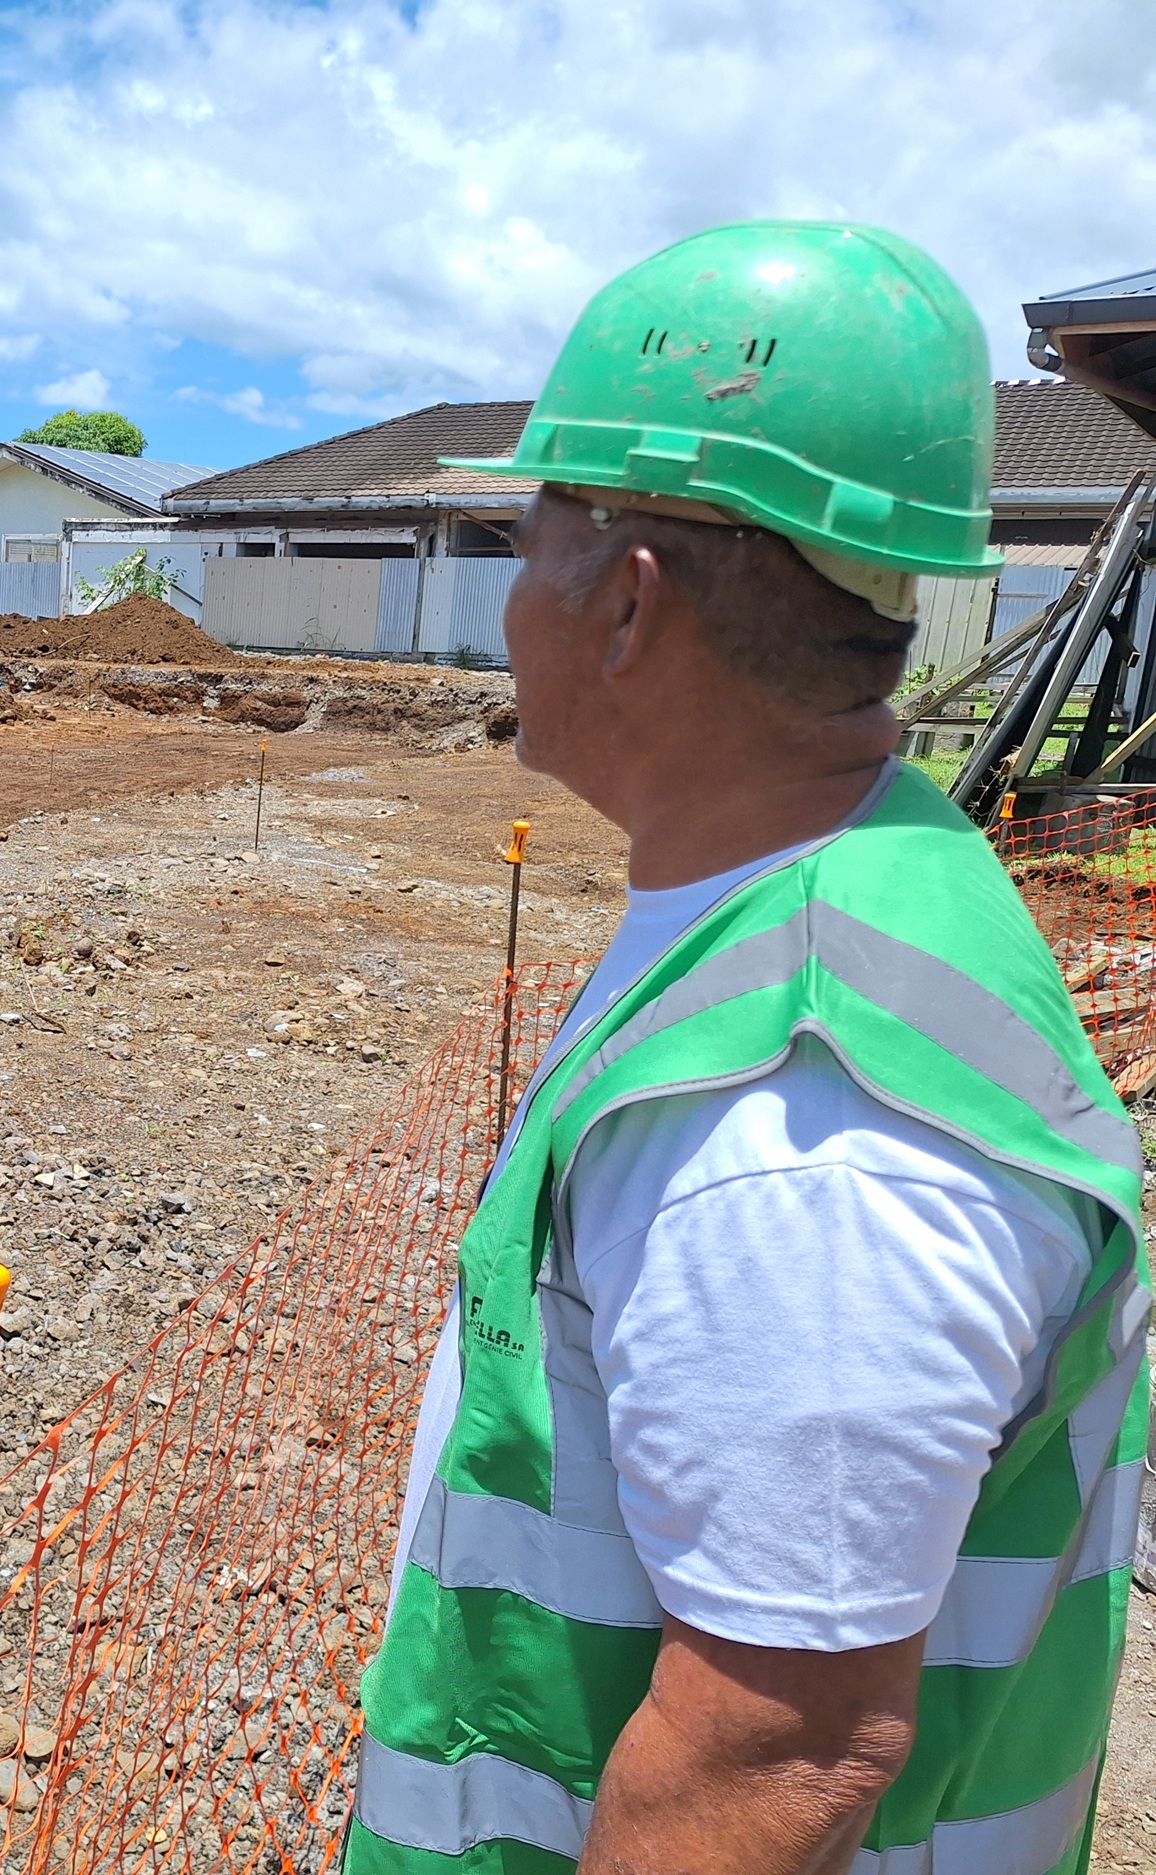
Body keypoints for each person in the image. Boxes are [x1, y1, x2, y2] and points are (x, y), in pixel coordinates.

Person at [352, 221, 1149, 1875]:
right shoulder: (831, 880)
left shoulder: (800, 1118)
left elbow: (773, 1752)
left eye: (527, 538)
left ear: (626, 605)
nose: (507, 608)